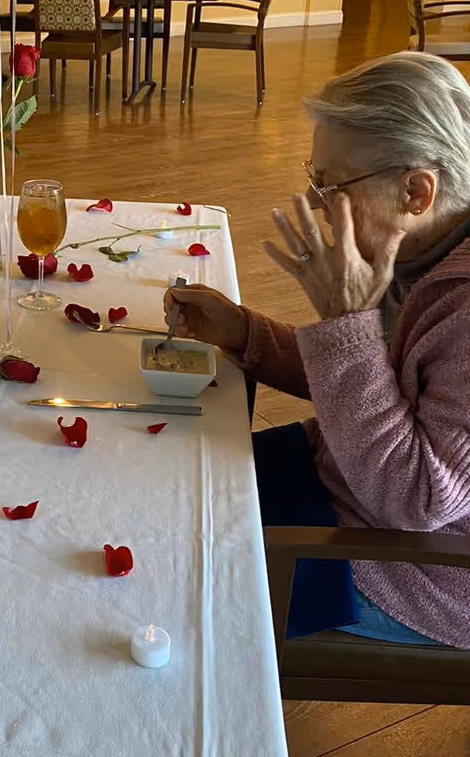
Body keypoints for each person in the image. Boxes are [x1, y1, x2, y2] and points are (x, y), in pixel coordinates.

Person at [165, 52, 470, 648]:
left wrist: (348, 320)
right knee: (174, 484)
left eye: (329, 185)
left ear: (415, 190)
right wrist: (247, 334)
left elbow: (420, 499)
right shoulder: (413, 251)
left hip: (417, 567)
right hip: (347, 481)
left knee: (174, 566)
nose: (315, 203)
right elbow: (374, 390)